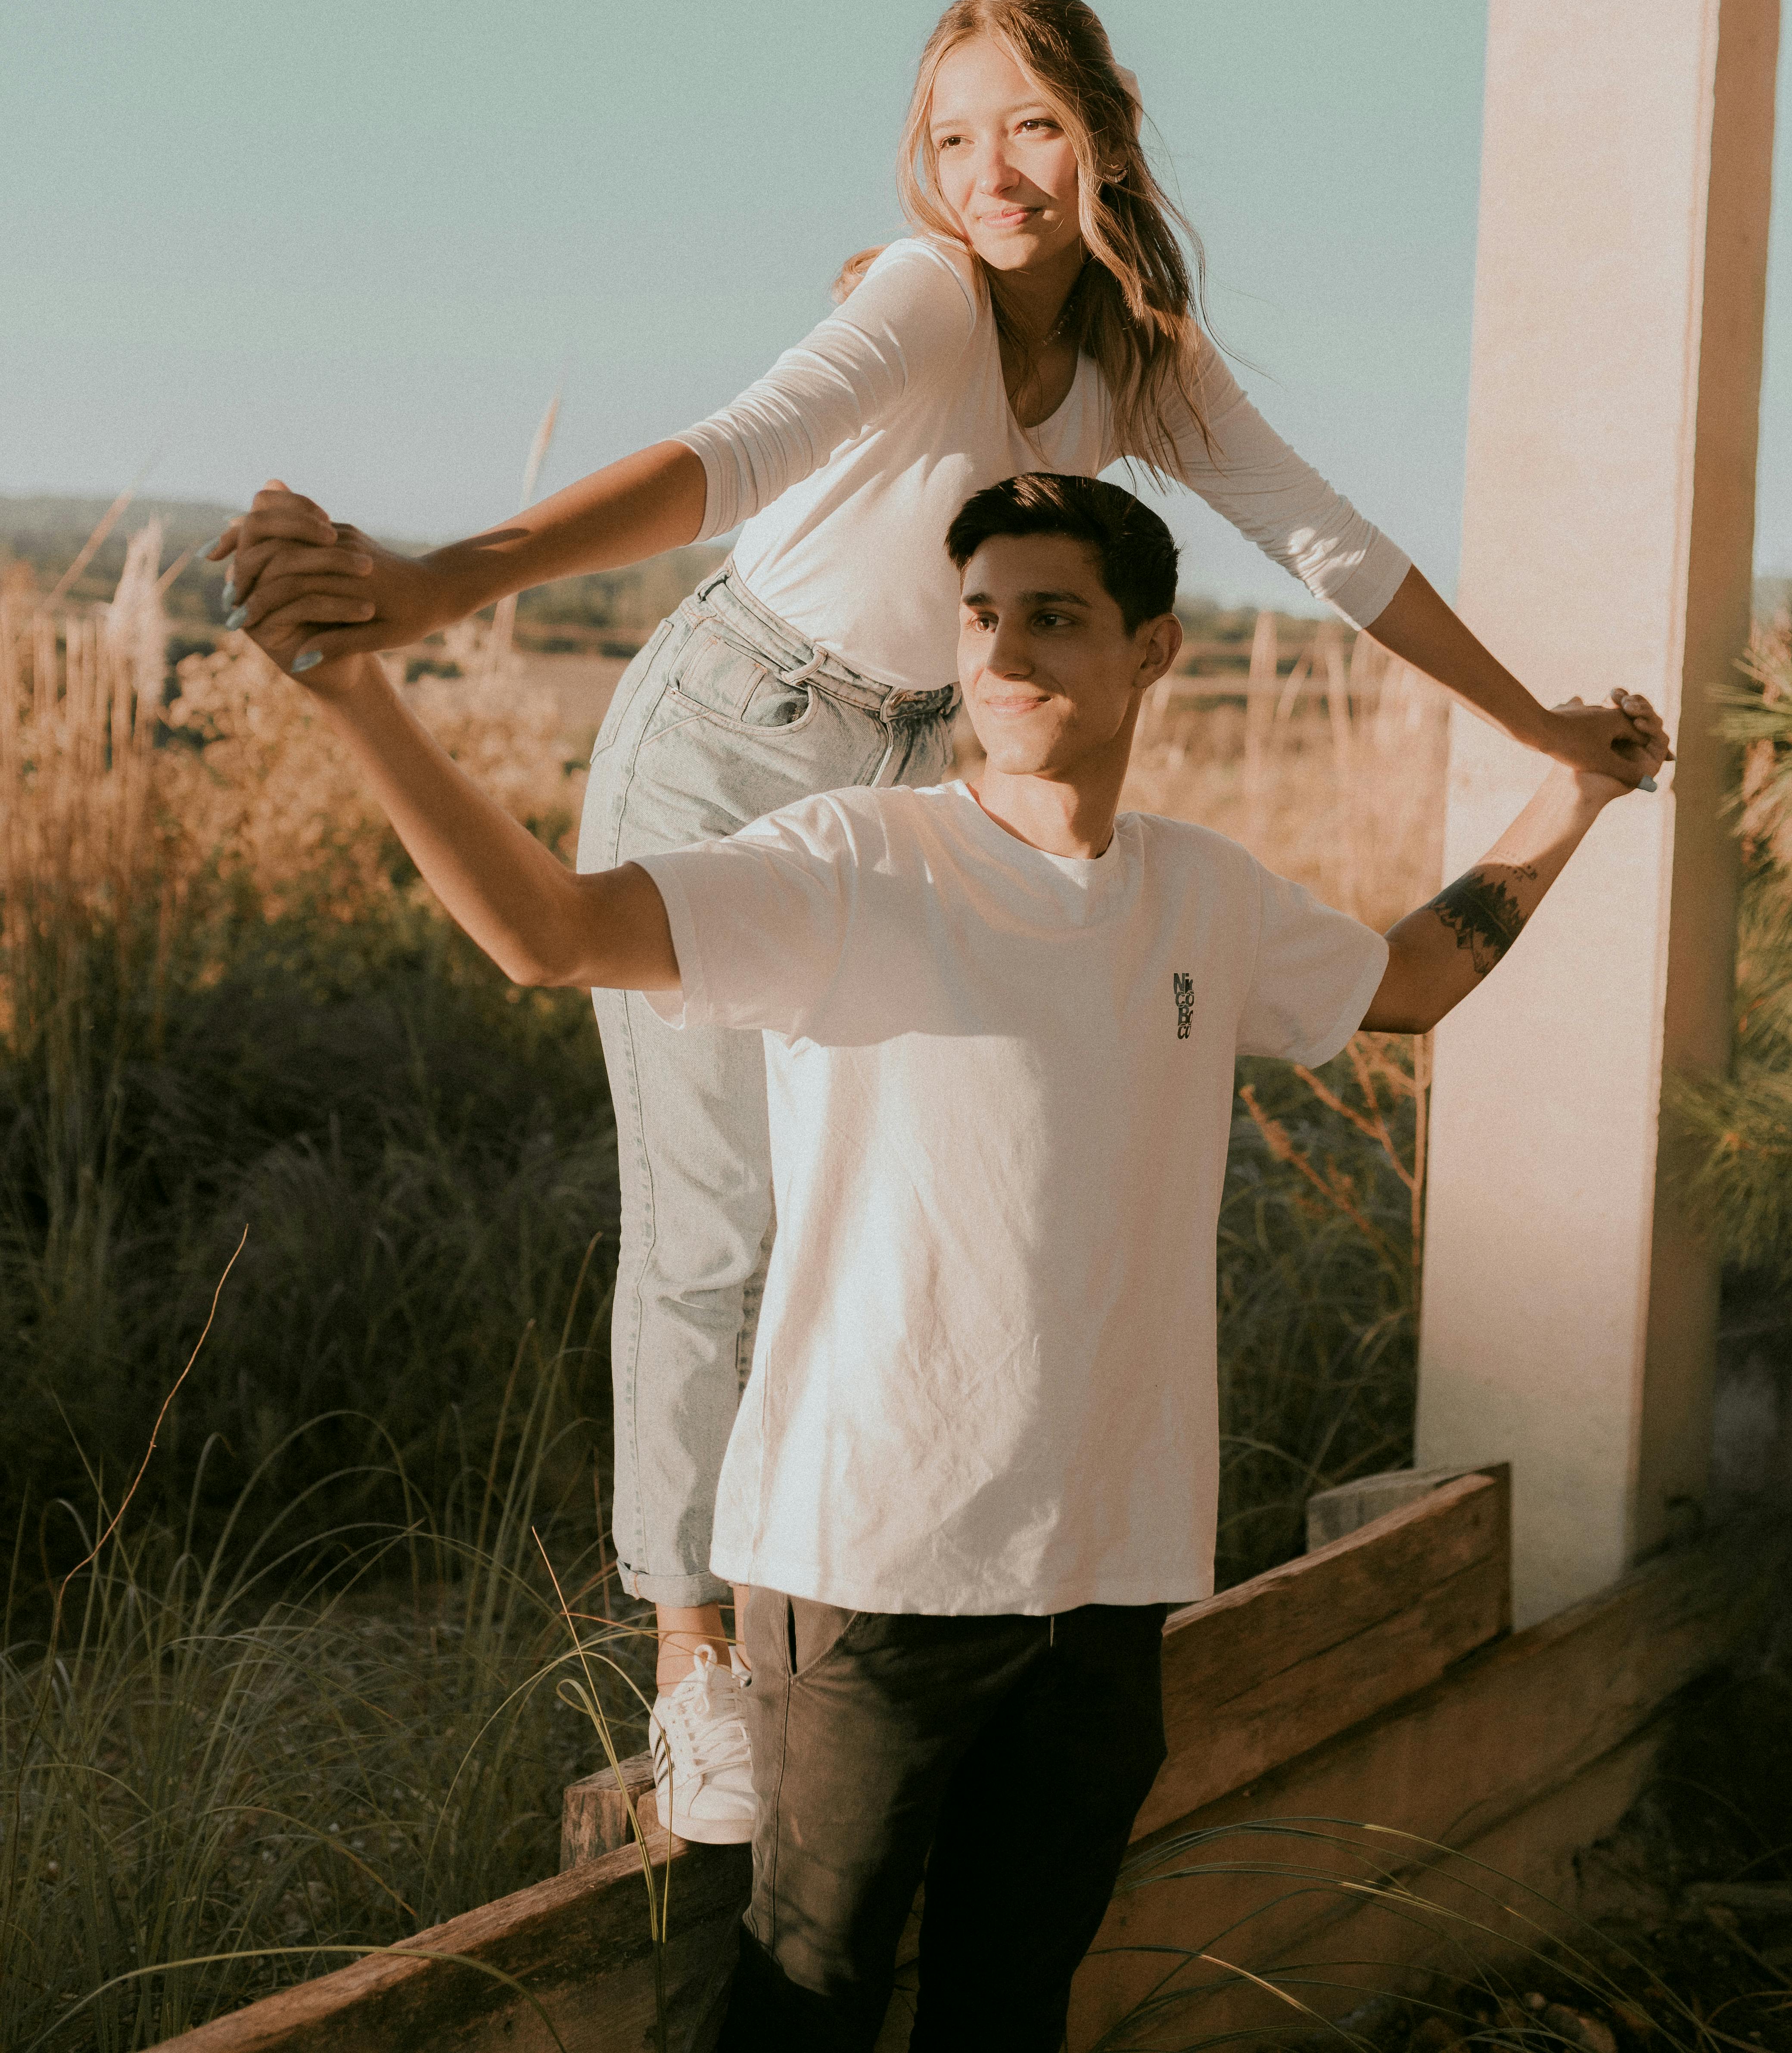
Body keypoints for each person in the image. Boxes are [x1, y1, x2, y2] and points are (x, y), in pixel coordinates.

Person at [210, 0, 1670, 1837]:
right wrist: (443, 585)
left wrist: (1535, 723)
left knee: (872, 1208)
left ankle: (893, 1604)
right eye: (956, 132)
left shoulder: (1137, 360)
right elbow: (722, 460)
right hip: (740, 736)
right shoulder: (917, 299)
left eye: (1032, 127)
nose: (991, 170)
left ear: (1105, 139)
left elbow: (1332, 549)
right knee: (718, 1224)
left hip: (919, 763)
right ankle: (692, 1664)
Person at [242, 469, 1664, 2052]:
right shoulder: (850, 864)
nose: (1004, 656)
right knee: (805, 2005)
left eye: (1054, 617)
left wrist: (1573, 801)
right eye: (981, 618)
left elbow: (1407, 982)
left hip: (1114, 1576)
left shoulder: (1204, 893)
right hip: (868, 1577)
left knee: (1009, 2007)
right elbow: (555, 935)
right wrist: (357, 697)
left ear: (1154, 653)